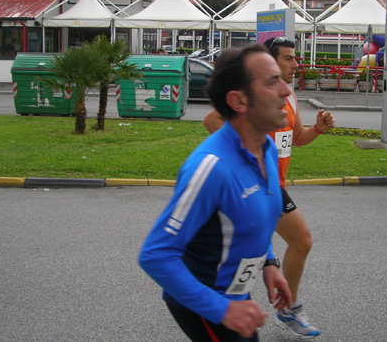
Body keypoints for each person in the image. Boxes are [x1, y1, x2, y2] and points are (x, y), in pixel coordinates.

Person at [139, 44, 293, 342]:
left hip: (235, 291)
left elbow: (254, 217)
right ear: (238, 100)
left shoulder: (267, 149)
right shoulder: (210, 168)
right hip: (204, 301)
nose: (286, 90)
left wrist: (270, 263)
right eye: (272, 82)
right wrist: (222, 309)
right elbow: (155, 254)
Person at [203, 37, 335, 339]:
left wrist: (318, 129)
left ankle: (241, 303)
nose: (296, 64)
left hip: (274, 185)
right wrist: (245, 156)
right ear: (271, 63)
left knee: (274, 246)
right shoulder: (256, 95)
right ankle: (272, 307)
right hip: (260, 183)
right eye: (289, 58)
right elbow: (212, 120)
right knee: (299, 241)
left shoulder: (288, 97)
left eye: (295, 58)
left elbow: (297, 137)